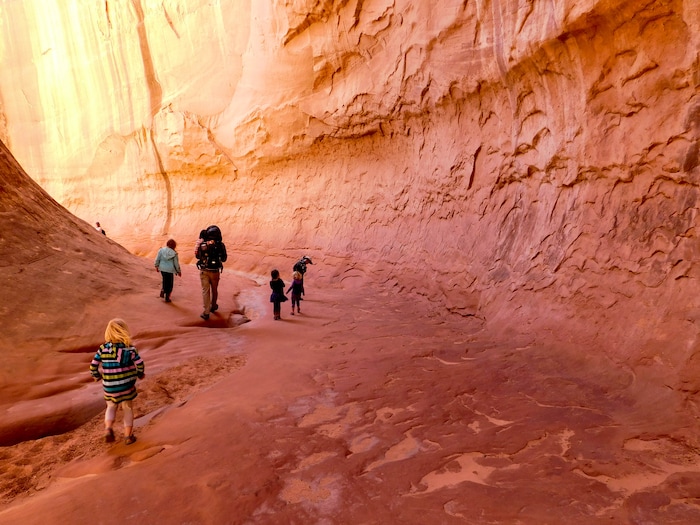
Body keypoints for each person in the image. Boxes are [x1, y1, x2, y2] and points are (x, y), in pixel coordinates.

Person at [89, 318, 145, 445]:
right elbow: (140, 364)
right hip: (127, 386)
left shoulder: (103, 348)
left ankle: (108, 428)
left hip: (110, 386)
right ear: (124, 331)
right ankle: (128, 436)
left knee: (111, 406)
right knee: (127, 408)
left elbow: (93, 365)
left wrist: (96, 375)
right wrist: (140, 373)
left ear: (108, 332)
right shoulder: (130, 349)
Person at [195, 226, 227, 320]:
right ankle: (213, 306)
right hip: (215, 271)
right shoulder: (221, 245)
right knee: (214, 289)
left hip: (204, 270)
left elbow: (197, 256)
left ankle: (206, 312)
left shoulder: (204, 244)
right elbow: (224, 259)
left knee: (205, 291)